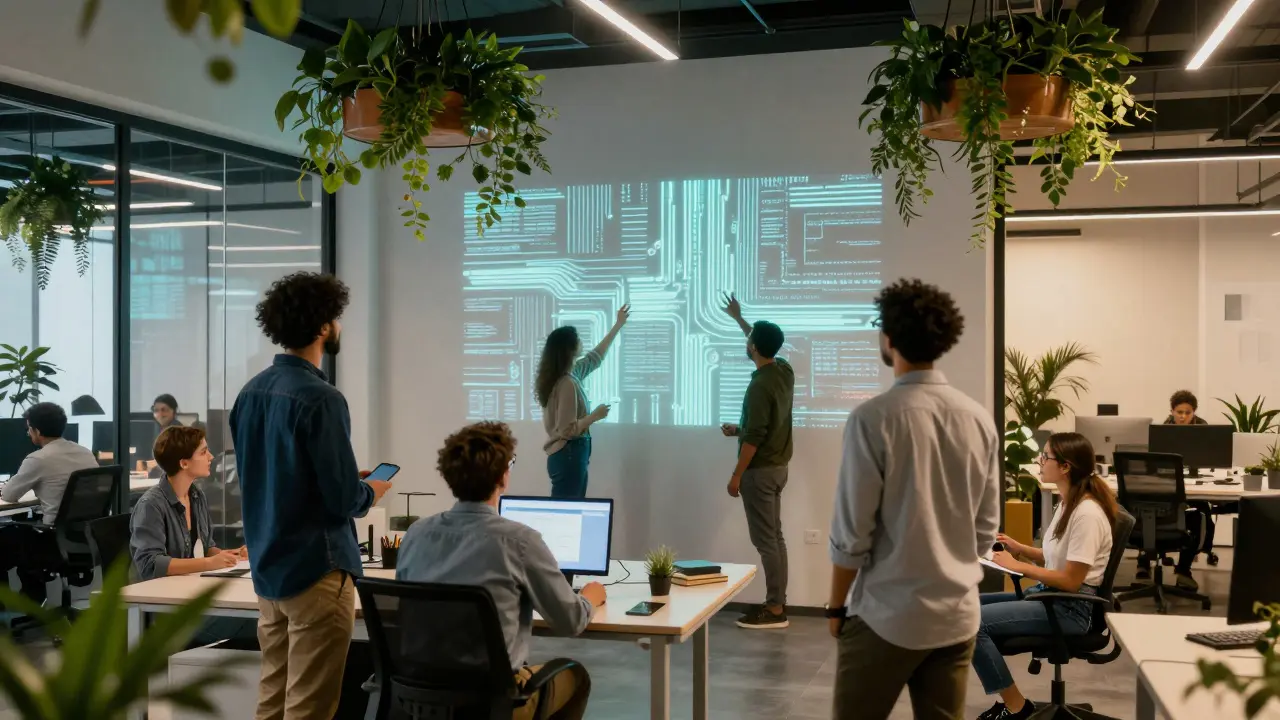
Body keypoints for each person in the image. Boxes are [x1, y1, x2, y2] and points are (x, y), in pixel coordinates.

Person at [827, 278, 1001, 720]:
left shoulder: (872, 419)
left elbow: (852, 534)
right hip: (956, 619)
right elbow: (985, 532)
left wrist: (835, 606)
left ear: (889, 338)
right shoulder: (978, 419)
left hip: (886, 616)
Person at [230, 271, 394, 720]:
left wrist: (344, 478)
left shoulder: (249, 393)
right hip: (316, 570)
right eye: (336, 318)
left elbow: (273, 475)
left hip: (268, 570)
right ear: (323, 326)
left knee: (272, 700)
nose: (339, 326)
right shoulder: (322, 398)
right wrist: (370, 490)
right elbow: (344, 500)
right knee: (310, 708)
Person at [397, 421, 602, 720]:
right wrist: (590, 598)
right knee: (576, 677)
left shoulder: (415, 534)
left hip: (419, 698)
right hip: (492, 703)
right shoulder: (520, 542)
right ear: (503, 476)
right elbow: (570, 621)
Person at [976, 432, 1118, 720]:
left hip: (1070, 609)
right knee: (965, 608)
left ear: (1065, 467)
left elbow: (1071, 581)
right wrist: (1021, 549)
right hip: (1050, 598)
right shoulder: (1067, 503)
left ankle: (1016, 707)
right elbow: (1057, 557)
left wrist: (1020, 567)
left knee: (969, 622)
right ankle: (1013, 703)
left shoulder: (1087, 514)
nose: (1039, 461)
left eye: (1045, 457)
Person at [130, 425, 256, 647]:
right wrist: (209, 563)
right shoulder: (151, 505)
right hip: (169, 613)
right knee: (261, 617)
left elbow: (205, 547)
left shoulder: (196, 496)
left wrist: (230, 555)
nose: (211, 457)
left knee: (266, 614)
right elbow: (151, 564)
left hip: (192, 598)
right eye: (203, 452)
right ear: (184, 463)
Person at [718, 292, 794, 630]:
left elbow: (756, 437)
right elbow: (761, 427)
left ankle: (775, 608)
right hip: (778, 469)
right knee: (775, 539)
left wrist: (736, 475)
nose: (747, 342)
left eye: (749, 341)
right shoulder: (784, 371)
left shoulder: (760, 386)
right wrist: (739, 319)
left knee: (767, 542)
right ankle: (777, 603)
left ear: (753, 348)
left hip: (759, 472)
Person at [0, 402, 98, 602]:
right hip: (86, 538)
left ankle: (17, 604)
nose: (28, 433)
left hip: (52, 541)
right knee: (21, 536)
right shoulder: (85, 452)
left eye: (29, 428)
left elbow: (9, 495)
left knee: (8, 537)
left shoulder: (38, 459)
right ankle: (30, 602)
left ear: (37, 431)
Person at [536, 305, 630, 498]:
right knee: (567, 509)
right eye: (578, 339)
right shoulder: (567, 383)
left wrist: (618, 325)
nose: (582, 341)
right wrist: (594, 416)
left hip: (569, 455)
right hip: (569, 454)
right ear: (569, 349)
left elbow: (595, 358)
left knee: (569, 507)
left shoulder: (569, 375)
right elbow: (567, 430)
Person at [1136, 389, 1212, 590]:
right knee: (1145, 506)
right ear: (1172, 411)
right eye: (1179, 412)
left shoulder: (1203, 429)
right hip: (1166, 482)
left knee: (1202, 512)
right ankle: (1143, 561)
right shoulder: (1163, 430)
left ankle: (1183, 569)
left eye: (1188, 412)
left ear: (1194, 412)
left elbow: (1209, 458)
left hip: (1192, 482)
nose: (1183, 416)